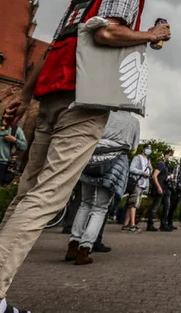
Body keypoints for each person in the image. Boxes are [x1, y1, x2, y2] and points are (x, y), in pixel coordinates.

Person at [0, 0, 170, 313]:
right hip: (83, 100)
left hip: (52, 96)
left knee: (27, 195)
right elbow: (107, 34)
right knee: (49, 198)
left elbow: (54, 46)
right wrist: (151, 34)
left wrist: (24, 96)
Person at [64, 111, 140, 264]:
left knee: (84, 203)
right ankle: (85, 249)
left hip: (92, 156)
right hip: (114, 161)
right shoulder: (133, 122)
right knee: (100, 208)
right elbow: (133, 146)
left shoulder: (105, 113)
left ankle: (73, 245)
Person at [123, 144, 152, 233]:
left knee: (132, 204)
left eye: (150, 149)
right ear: (143, 149)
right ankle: (132, 225)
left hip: (142, 184)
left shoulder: (148, 160)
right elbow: (131, 169)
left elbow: (149, 173)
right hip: (137, 182)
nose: (149, 150)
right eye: (148, 148)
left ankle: (125, 224)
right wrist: (142, 173)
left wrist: (150, 170)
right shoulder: (137, 158)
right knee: (133, 204)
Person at [147, 149, 174, 232]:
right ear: (165, 155)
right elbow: (154, 175)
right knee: (155, 206)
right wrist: (158, 187)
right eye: (170, 155)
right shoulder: (161, 164)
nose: (171, 157)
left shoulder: (168, 166)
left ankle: (163, 224)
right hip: (160, 187)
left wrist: (170, 176)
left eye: (172, 155)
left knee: (167, 207)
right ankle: (150, 224)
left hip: (167, 188)